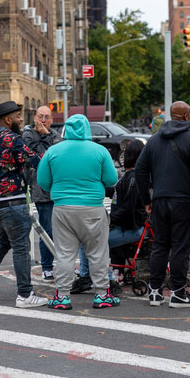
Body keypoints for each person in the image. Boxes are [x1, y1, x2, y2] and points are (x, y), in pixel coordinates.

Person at [37, 114, 119, 310]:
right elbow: (111, 179)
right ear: (87, 130)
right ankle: (102, 295)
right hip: (93, 208)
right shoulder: (100, 151)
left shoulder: (53, 151)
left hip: (63, 208)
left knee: (65, 255)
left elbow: (43, 182)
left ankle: (62, 297)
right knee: (97, 253)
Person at [135, 101, 190, 308]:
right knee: (180, 248)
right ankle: (178, 292)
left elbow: (140, 170)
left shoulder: (154, 140)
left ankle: (155, 291)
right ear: (187, 116)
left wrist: (146, 200)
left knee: (160, 246)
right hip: (185, 202)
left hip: (159, 201)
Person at [0, 101, 46, 308]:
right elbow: (35, 161)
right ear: (8, 119)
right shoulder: (12, 139)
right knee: (21, 246)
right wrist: (44, 138)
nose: (22, 120)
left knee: (4, 240)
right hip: (12, 199)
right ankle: (25, 294)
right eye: (18, 116)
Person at [71, 140, 147, 296]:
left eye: (126, 152)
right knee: (86, 239)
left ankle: (104, 279)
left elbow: (126, 210)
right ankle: (87, 276)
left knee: (90, 242)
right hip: (125, 227)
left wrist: (108, 220)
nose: (123, 155)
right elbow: (117, 193)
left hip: (131, 229)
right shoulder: (130, 176)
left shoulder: (134, 178)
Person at [21, 106, 61, 282]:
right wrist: (45, 137)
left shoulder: (56, 135)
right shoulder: (27, 134)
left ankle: (62, 264)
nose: (43, 120)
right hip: (41, 190)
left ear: (51, 120)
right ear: (34, 117)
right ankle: (47, 267)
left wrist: (46, 137)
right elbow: (39, 156)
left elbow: (58, 153)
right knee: (47, 230)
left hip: (59, 190)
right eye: (40, 116)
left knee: (63, 231)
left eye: (47, 117)